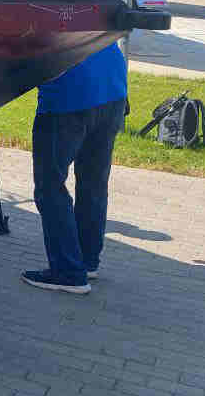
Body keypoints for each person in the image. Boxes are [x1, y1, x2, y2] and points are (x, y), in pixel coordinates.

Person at [23, 41, 127, 294]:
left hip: (69, 96)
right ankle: (87, 261)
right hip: (112, 86)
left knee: (50, 187)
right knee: (94, 183)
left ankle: (68, 272)